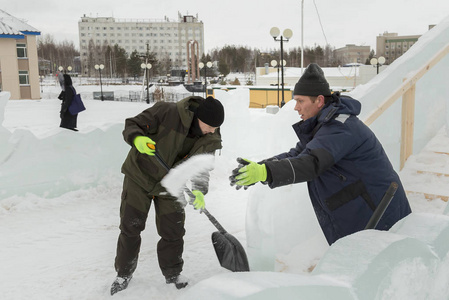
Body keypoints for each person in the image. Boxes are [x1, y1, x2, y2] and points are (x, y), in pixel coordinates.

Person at [230, 63, 412, 246]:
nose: (296, 107)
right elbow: (298, 154)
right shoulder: (324, 126)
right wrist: (261, 167)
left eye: (300, 101)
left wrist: (266, 172)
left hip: (379, 212)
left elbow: (312, 162)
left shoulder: (341, 127)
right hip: (363, 212)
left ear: (319, 101)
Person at [111, 96, 225, 295]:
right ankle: (123, 274)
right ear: (198, 117)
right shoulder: (167, 112)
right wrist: (138, 138)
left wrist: (199, 190)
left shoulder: (211, 137)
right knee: (131, 227)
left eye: (216, 128)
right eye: (209, 126)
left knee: (173, 231)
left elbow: (202, 167)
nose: (212, 131)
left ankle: (173, 274)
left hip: (172, 184)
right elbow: (133, 124)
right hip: (140, 176)